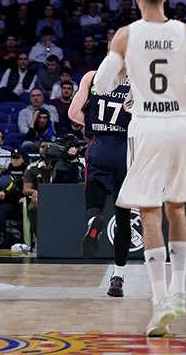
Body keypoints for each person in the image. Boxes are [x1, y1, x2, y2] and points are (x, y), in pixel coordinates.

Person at [93, 0, 186, 337]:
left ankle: (159, 300)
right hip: (182, 124)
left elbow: (102, 85)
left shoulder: (126, 35)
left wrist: (122, 71)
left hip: (148, 124)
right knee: (177, 205)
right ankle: (179, 289)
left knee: (149, 210)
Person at [68, 69, 132, 297]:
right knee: (124, 217)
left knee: (94, 197)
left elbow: (73, 112)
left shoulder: (92, 77)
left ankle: (95, 219)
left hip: (99, 146)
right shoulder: (138, 77)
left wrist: (93, 125)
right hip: (126, 150)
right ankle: (118, 277)